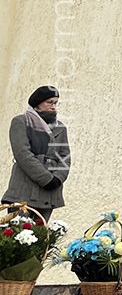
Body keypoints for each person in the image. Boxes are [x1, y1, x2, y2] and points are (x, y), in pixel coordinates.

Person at [3, 86, 71, 221]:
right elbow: (23, 154)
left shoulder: (60, 128)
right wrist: (46, 179)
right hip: (24, 190)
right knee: (18, 235)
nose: (53, 107)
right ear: (37, 103)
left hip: (49, 192)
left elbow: (65, 156)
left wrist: (58, 178)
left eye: (55, 103)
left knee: (41, 237)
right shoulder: (21, 122)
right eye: (49, 102)